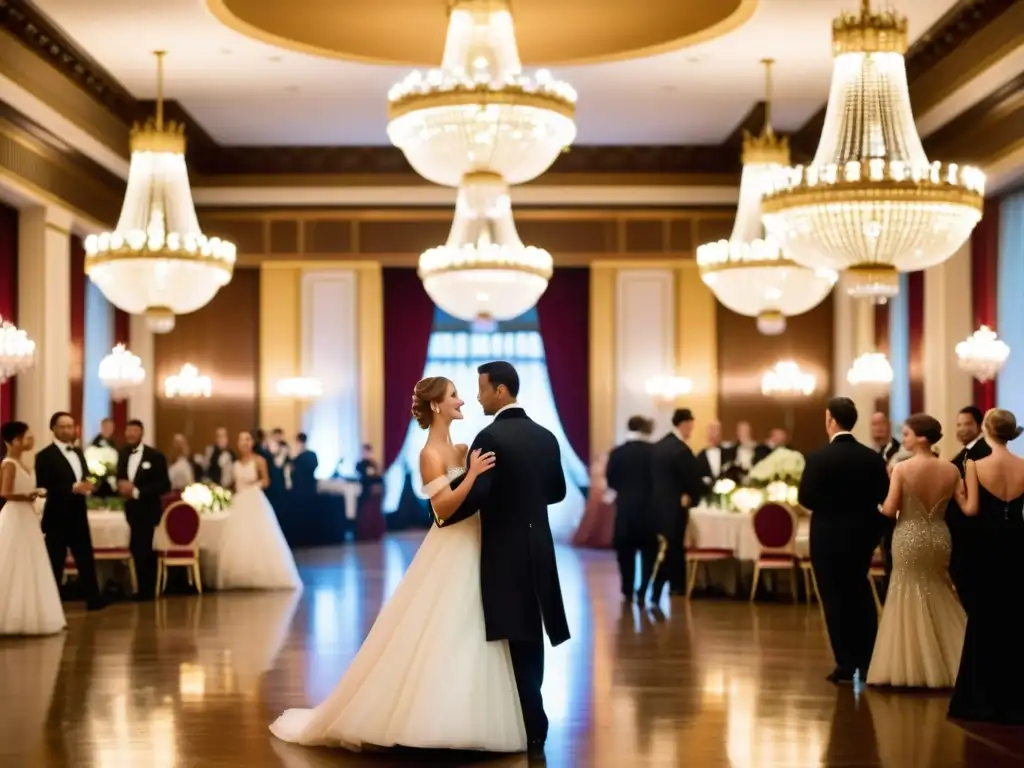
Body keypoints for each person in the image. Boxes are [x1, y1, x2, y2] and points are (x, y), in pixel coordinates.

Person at [270, 373, 527, 753]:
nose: (463, 401)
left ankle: (465, 716)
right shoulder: (430, 455)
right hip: (450, 546)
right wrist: (472, 476)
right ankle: (424, 722)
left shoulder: (461, 449)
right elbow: (440, 511)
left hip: (477, 545)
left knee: (472, 629)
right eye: (455, 396)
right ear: (437, 405)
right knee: (445, 626)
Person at [866, 414, 965, 688]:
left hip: (909, 535)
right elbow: (966, 506)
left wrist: (873, 507)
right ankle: (957, 661)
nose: (904, 439)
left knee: (907, 592)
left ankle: (912, 667)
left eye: (907, 434)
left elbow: (889, 509)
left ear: (921, 438)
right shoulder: (951, 470)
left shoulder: (901, 468)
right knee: (939, 589)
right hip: (939, 535)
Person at [798, 397, 888, 684]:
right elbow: (884, 499)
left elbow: (806, 499)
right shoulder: (872, 459)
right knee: (861, 595)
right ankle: (869, 659)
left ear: (830, 420)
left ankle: (845, 664)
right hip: (861, 537)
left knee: (834, 600)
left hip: (827, 539)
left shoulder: (817, 458)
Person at [949, 408, 1024, 723]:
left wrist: (956, 491)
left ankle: (980, 699)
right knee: (1014, 618)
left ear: (986, 429)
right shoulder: (1023, 465)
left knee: (983, 618)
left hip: (985, 545)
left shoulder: (975, 465)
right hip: (1017, 544)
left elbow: (971, 509)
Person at [0, 421, 65, 635]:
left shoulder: (23, 462)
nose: (31, 441)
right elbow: (5, 493)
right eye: (27, 437)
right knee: (12, 559)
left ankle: (31, 613)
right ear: (16, 441)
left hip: (27, 516)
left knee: (30, 561)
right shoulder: (9, 463)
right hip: (15, 514)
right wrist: (28, 496)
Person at [213, 431, 301, 590]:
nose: (244, 443)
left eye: (247, 439)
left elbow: (266, 481)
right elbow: (231, 483)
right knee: (239, 536)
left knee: (258, 534)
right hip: (239, 502)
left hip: (254, 499)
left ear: (252, 442)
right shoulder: (235, 464)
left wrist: (252, 488)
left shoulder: (259, 460)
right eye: (241, 440)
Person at [35, 411, 105, 611]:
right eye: (63, 426)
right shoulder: (44, 456)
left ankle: (94, 600)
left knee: (85, 558)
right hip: (57, 515)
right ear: (54, 429)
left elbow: (87, 476)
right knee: (55, 561)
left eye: (70, 426)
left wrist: (90, 484)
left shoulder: (78, 452)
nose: (67, 430)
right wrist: (71, 488)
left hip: (78, 514)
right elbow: (43, 486)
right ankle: (51, 604)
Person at [650, 408, 704, 602]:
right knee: (675, 546)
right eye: (691, 426)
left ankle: (658, 586)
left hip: (657, 505)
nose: (691, 431)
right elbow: (693, 479)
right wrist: (693, 496)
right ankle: (676, 585)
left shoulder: (657, 447)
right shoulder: (681, 450)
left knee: (663, 547)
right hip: (675, 506)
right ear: (685, 424)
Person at [116, 420, 171, 600]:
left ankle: (147, 591)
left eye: (135, 430)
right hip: (130, 509)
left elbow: (165, 485)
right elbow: (120, 477)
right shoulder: (123, 453)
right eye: (128, 430)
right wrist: (120, 486)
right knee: (135, 547)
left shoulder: (155, 456)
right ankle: (140, 588)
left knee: (145, 549)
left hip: (148, 509)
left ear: (142, 433)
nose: (131, 434)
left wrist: (137, 491)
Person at [946, 405, 991, 615]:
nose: (962, 429)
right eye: (958, 425)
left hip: (974, 531)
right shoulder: (966, 453)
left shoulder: (981, 453)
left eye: (967, 424)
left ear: (979, 426)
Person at [606, 416, 657, 602]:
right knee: (649, 551)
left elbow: (611, 480)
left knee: (625, 551)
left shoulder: (618, 453)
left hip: (625, 510)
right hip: (650, 511)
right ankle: (643, 589)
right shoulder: (655, 452)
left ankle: (627, 588)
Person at [870, 411, 901, 588]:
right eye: (873, 425)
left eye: (881, 424)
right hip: (876, 512)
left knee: (893, 555)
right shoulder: (871, 452)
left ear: (888, 426)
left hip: (894, 513)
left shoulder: (899, 452)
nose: (877, 429)